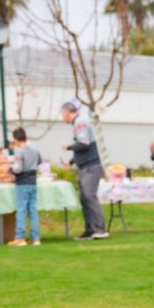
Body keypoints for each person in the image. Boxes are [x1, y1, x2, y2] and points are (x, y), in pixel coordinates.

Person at [61, 100, 109, 240]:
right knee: (84, 198)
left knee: (89, 196)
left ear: (67, 112)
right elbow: (82, 148)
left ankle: (100, 228)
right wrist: (71, 161)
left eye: (62, 114)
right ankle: (89, 229)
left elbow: (84, 143)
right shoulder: (77, 123)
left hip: (90, 166)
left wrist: (68, 147)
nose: (62, 117)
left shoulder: (79, 123)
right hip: (85, 166)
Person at [8, 127, 43, 247]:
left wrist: (10, 170)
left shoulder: (19, 151)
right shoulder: (35, 149)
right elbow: (40, 160)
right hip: (33, 181)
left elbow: (18, 169)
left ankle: (20, 237)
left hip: (22, 182)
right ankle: (35, 237)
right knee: (33, 210)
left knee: (21, 210)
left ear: (16, 139)